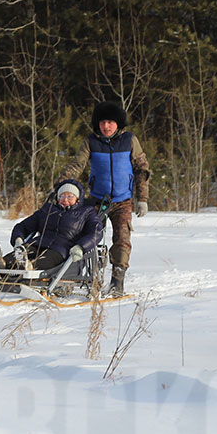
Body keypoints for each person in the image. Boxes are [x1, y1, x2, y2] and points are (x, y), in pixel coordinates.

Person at [59, 101, 150, 295]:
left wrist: (143, 198)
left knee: (122, 239)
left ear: (118, 123)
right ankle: (74, 275)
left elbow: (142, 169)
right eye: (102, 122)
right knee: (81, 234)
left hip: (122, 201)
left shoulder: (129, 140)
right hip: (97, 199)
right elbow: (77, 165)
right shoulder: (91, 142)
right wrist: (61, 187)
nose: (106, 126)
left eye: (110, 122)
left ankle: (117, 281)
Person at [6, 178, 103, 271]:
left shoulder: (86, 212)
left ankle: (28, 266)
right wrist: (18, 239)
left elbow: (96, 232)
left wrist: (81, 246)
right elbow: (23, 226)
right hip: (39, 243)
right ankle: (2, 263)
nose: (65, 200)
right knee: (24, 252)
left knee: (47, 258)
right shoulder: (47, 210)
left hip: (63, 248)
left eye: (70, 196)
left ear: (77, 198)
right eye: (62, 196)